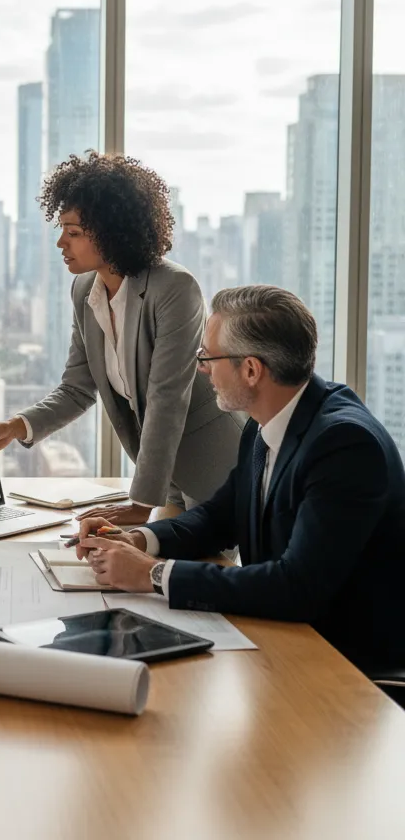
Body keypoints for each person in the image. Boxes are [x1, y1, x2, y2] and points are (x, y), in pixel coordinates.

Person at [77, 285, 405, 675]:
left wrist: (152, 574)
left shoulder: (345, 445)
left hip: (346, 670)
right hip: (285, 642)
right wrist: (139, 540)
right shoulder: (265, 422)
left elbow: (297, 588)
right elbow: (220, 516)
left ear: (251, 370)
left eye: (208, 357)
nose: (202, 368)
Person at [0, 151, 243, 525]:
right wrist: (15, 428)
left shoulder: (175, 288)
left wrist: (139, 505)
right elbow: (76, 389)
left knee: (205, 572)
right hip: (161, 470)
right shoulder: (84, 291)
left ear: (112, 232)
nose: (61, 242)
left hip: (212, 464)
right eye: (62, 229)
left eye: (73, 233)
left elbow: (166, 399)